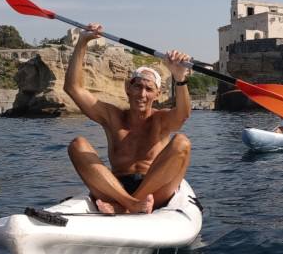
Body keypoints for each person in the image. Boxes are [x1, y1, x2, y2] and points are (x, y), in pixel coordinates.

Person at [64, 23, 192, 214]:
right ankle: (130, 204)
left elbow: (183, 114)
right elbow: (73, 88)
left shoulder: (161, 120)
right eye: (137, 87)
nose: (142, 94)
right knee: (77, 144)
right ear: (127, 89)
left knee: (182, 143)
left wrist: (180, 78)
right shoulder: (113, 117)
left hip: (155, 192)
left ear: (157, 94)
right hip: (115, 188)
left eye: (149, 89)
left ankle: (126, 205)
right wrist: (82, 42)